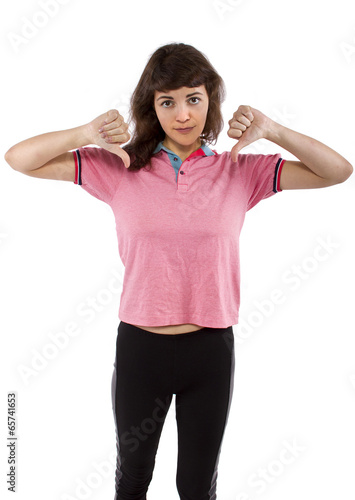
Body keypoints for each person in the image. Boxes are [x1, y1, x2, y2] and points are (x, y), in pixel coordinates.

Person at [4, 42, 352, 499]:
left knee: (196, 486)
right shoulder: (120, 167)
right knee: (132, 479)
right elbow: (17, 158)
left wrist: (271, 128)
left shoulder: (238, 171)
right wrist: (85, 133)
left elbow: (338, 172)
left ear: (211, 102)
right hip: (140, 352)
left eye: (194, 98)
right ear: (152, 107)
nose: (182, 114)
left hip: (210, 351)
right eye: (167, 102)